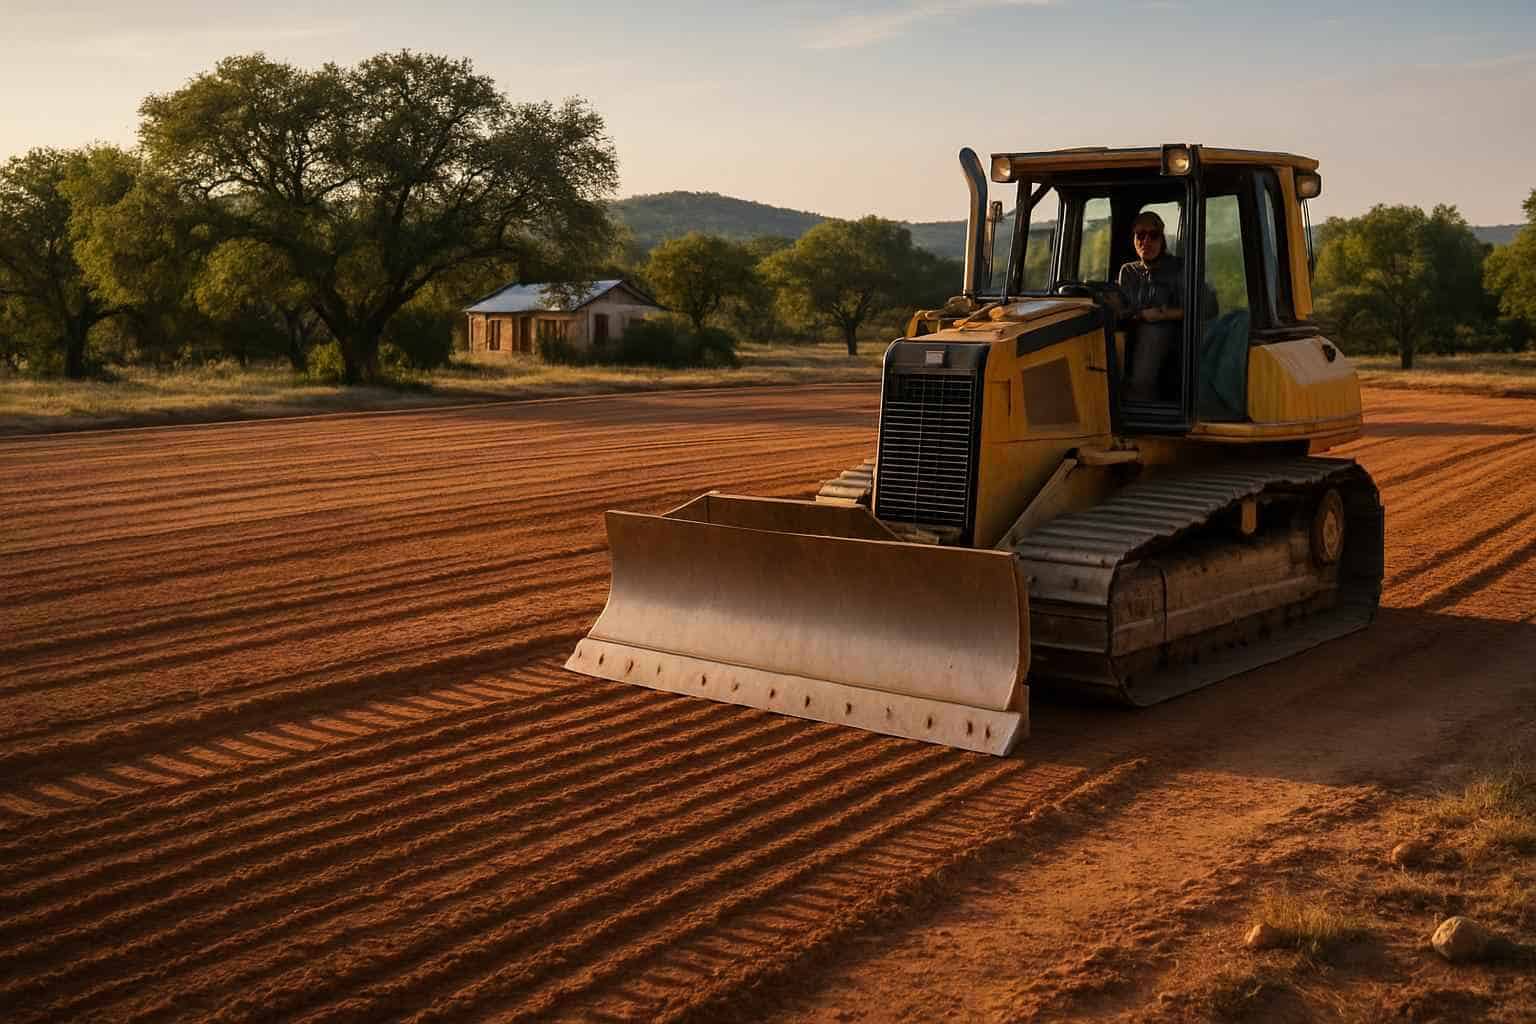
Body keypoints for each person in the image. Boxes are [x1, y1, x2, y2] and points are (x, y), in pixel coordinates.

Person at [1116, 211, 1184, 402]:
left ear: (1162, 239)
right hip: (1133, 330)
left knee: (1153, 331)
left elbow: (1205, 308)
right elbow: (1124, 307)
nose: (1146, 241)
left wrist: (1162, 315)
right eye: (1140, 235)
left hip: (1170, 334)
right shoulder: (1128, 271)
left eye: (1153, 235)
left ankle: (1140, 399)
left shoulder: (1179, 268)